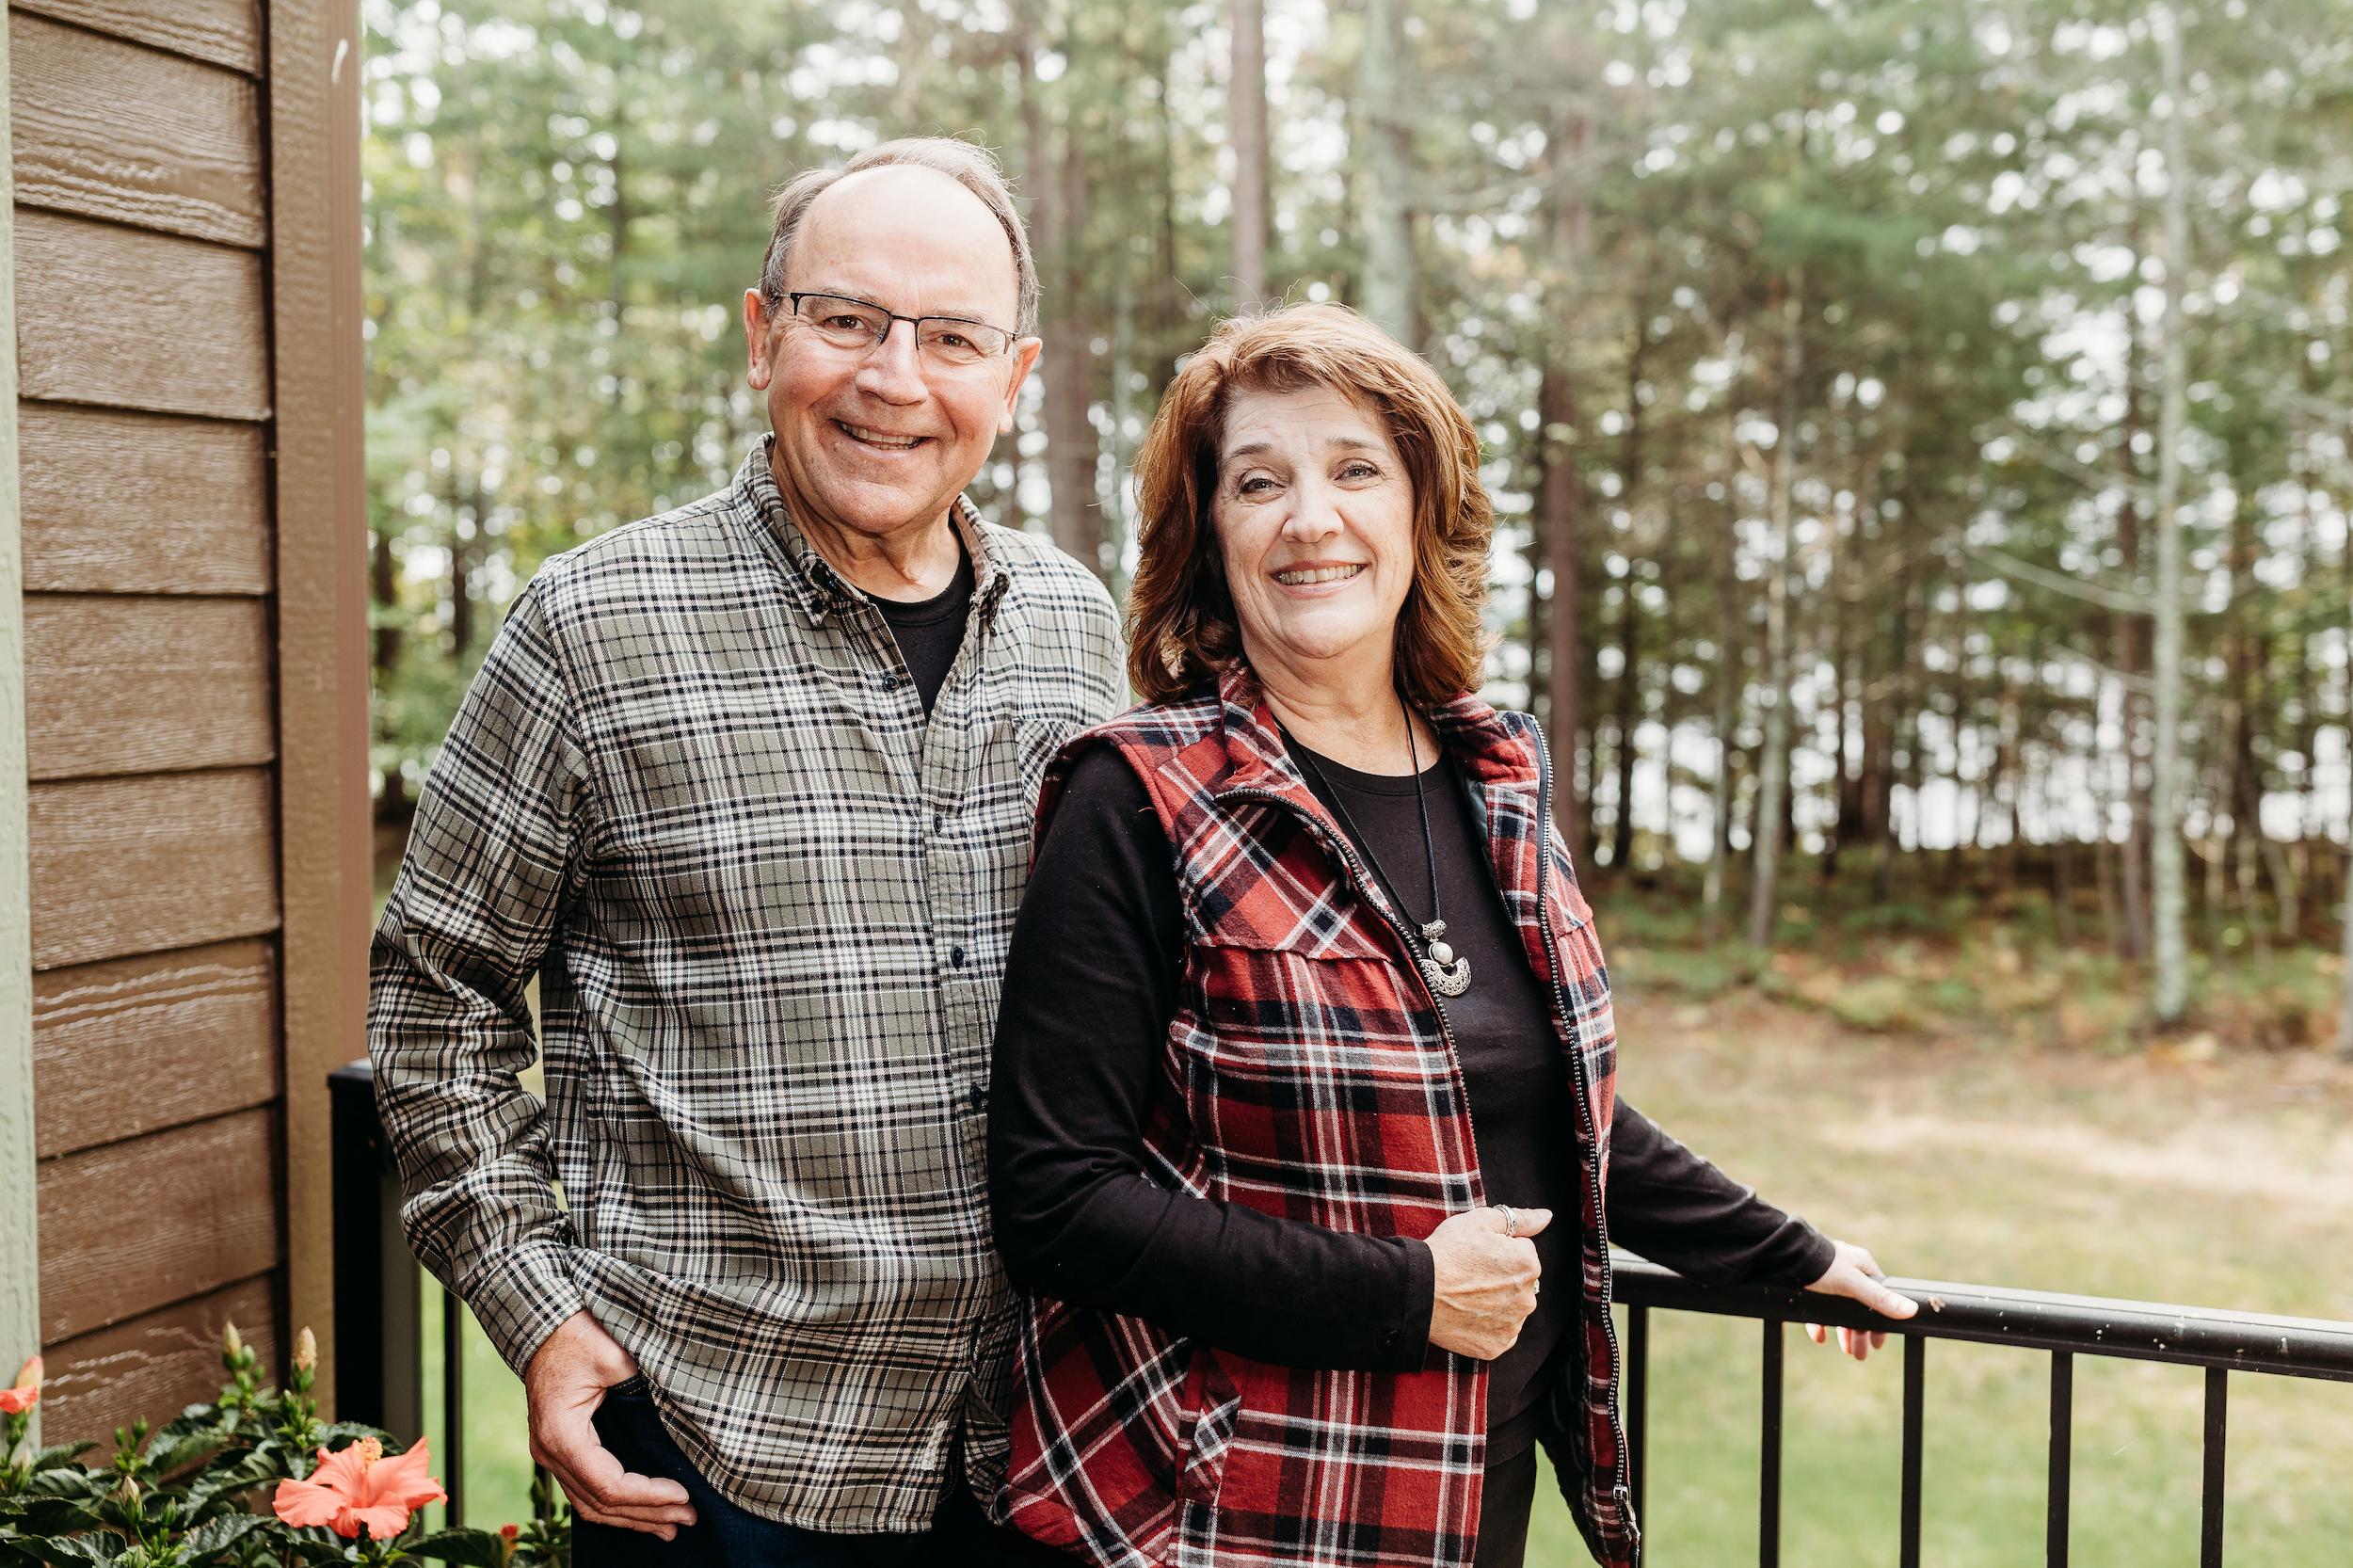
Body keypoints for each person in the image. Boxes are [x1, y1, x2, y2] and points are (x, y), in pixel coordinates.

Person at [986, 303, 1916, 1568]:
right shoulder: (1136, 794)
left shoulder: (1496, 771)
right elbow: (1057, 1199)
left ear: (1423, 510)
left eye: (1356, 469)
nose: (1311, 517)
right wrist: (1408, 1294)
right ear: (1211, 534)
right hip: (1241, 1512)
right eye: (1260, 481)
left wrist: (1790, 1254)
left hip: (1477, 1481)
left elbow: (1544, 1099)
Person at [368, 136, 1124, 1565]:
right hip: (724, 1457)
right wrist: (537, 1308)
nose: (894, 379)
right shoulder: (593, 628)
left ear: (1012, 383)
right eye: (846, 320)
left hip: (1044, 1449)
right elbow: (433, 1008)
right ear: (764, 330)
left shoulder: (1076, 632)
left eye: (949, 337)